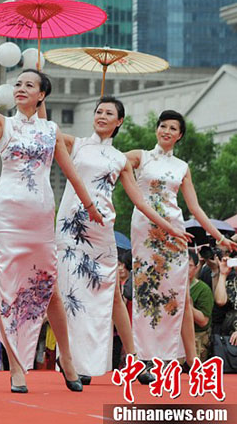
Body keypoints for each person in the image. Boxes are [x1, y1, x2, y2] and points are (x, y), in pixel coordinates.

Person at [0, 34, 103, 394]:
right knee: (8, 291)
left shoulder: (51, 131)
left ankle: (66, 358)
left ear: (42, 95)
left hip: (40, 218)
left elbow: (70, 171)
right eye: (18, 83)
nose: (20, 88)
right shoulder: (3, 125)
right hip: (7, 218)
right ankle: (17, 367)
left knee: (49, 291)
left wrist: (90, 206)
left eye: (29, 84)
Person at [53, 97, 187, 383]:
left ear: (119, 121)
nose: (102, 115)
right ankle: (74, 363)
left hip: (102, 230)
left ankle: (135, 360)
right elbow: (46, 129)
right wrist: (40, 89)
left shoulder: (119, 159)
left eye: (109, 113)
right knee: (72, 294)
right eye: (99, 111)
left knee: (113, 294)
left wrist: (171, 228)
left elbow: (141, 201)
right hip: (71, 229)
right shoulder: (75, 144)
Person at [125, 110, 236, 368]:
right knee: (146, 293)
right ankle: (144, 357)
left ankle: (185, 359)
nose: (166, 131)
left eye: (173, 128)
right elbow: (111, 163)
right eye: (163, 126)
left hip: (176, 233)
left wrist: (220, 237)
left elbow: (195, 209)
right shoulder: (140, 157)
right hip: (145, 231)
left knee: (177, 295)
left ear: (180, 135)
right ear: (156, 129)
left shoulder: (182, 167)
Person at [187, 251, 214, 361]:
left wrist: (188, 306)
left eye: (189, 266)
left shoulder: (203, 289)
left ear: (196, 267)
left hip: (196, 335)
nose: (184, 270)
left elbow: (203, 321)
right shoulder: (169, 287)